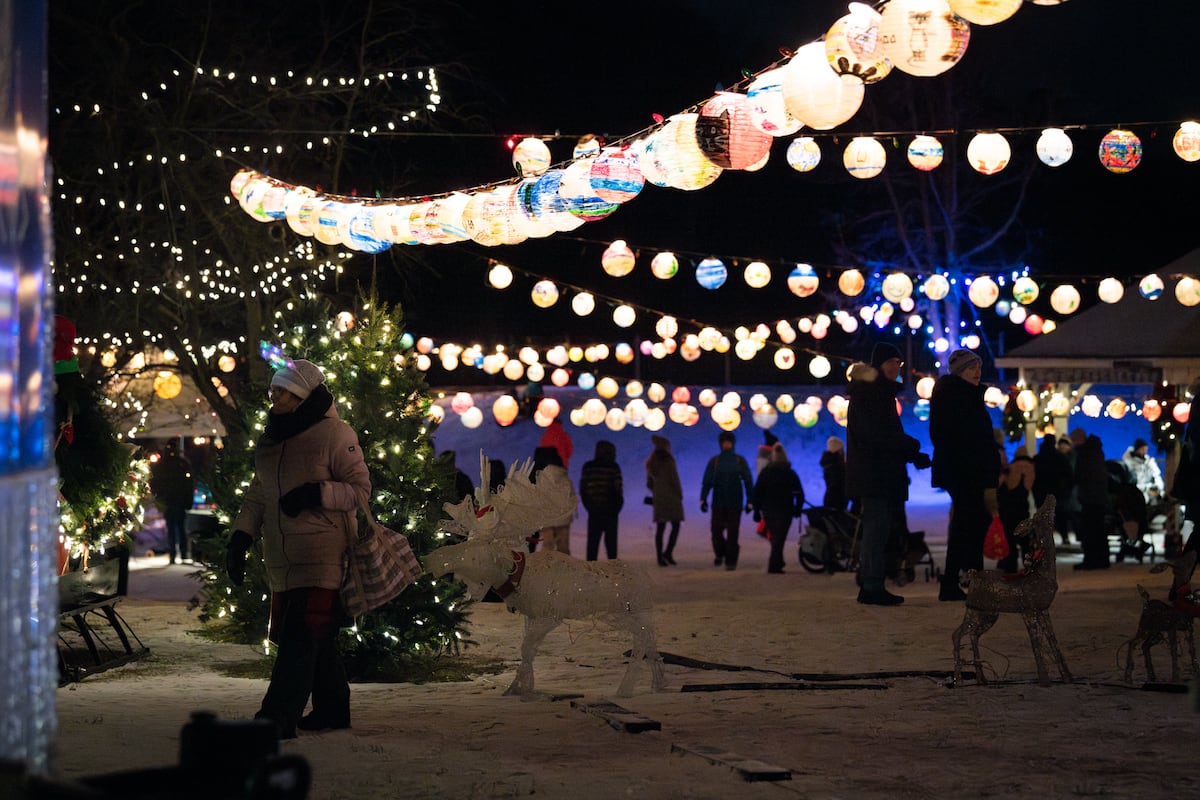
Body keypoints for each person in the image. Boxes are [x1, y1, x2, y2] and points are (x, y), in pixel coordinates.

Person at [225, 358, 370, 739]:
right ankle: (332, 710)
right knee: (315, 635)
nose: (274, 397)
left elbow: (360, 491)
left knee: (299, 637)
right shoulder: (271, 439)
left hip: (324, 554)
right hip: (282, 555)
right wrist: (241, 537)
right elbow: (259, 494)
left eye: (283, 391)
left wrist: (315, 494)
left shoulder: (335, 434)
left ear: (303, 395)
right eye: (273, 390)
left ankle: (277, 717)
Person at [846, 342, 930, 606]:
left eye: (899, 363)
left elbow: (886, 436)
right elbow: (877, 435)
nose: (897, 367)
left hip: (880, 471)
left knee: (879, 529)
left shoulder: (878, 393)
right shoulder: (870, 394)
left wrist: (911, 453)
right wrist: (911, 448)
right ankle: (871, 585)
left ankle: (871, 583)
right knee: (876, 528)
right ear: (879, 364)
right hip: (875, 473)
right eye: (892, 362)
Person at [929, 348, 999, 602]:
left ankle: (966, 579)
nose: (977, 372)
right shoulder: (955, 396)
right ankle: (957, 581)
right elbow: (955, 437)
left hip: (968, 470)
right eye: (971, 367)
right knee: (966, 524)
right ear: (959, 371)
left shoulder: (965, 395)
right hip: (964, 471)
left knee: (971, 523)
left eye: (978, 367)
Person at [700, 431, 754, 570]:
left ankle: (730, 560)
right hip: (720, 501)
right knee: (716, 531)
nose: (726, 445)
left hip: (734, 502)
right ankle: (722, 553)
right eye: (724, 442)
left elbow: (748, 481)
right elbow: (707, 481)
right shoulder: (716, 461)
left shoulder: (738, 461)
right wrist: (703, 498)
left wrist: (750, 500)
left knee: (732, 532)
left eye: (728, 442)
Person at [753, 443, 805, 574]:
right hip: (785, 510)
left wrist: (756, 510)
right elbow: (799, 493)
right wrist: (798, 509)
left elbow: (757, 492)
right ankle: (774, 565)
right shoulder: (790, 474)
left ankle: (777, 562)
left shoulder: (765, 473)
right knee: (779, 537)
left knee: (776, 537)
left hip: (768, 509)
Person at [149, 439, 196, 564]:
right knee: (178, 528)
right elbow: (189, 484)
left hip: (172, 501)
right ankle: (180, 554)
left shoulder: (166, 465)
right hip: (175, 501)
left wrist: (159, 499)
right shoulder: (181, 464)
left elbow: (155, 483)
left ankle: (175, 554)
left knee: (174, 528)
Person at [1072, 428, 1111, 570]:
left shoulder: (1085, 453)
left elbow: (1081, 475)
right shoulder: (1096, 451)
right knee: (1099, 529)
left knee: (1090, 530)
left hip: (1090, 497)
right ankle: (1102, 559)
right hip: (1098, 497)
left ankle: (1091, 559)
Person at [578, 440, 623, 560]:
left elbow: (583, 490)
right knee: (611, 548)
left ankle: (591, 570)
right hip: (611, 512)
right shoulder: (613, 467)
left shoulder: (588, 467)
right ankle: (613, 570)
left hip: (594, 512)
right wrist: (616, 508)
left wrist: (589, 507)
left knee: (592, 547)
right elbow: (618, 490)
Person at [645, 435, 684, 566]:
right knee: (676, 525)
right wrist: (679, 494)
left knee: (660, 528)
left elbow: (649, 484)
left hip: (659, 498)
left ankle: (660, 557)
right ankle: (668, 552)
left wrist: (657, 491)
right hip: (672, 497)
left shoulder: (651, 463)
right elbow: (674, 479)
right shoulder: (669, 461)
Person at [995, 446, 1035, 573]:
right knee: (1024, 539)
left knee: (1009, 538)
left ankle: (1011, 564)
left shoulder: (1010, 468)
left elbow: (999, 485)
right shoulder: (1030, 467)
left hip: (1006, 508)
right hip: (1022, 508)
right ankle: (1028, 566)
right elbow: (1029, 487)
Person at [532, 446, 574, 555]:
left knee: (547, 546)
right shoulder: (563, 474)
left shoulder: (539, 476)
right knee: (563, 547)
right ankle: (565, 565)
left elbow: (535, 497)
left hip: (547, 517)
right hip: (564, 517)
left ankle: (548, 565)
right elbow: (571, 495)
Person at [1122, 438, 1164, 505]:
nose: (1145, 451)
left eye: (1146, 449)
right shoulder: (1128, 463)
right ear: (1137, 449)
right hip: (1138, 493)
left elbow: (1157, 475)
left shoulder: (1149, 462)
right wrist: (1147, 488)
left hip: (1152, 492)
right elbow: (1130, 483)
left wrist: (1158, 487)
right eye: (1142, 449)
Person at [820, 436, 848, 511]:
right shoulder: (835, 466)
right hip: (836, 502)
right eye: (841, 450)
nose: (843, 452)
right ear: (837, 451)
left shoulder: (831, 464)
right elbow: (839, 485)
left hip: (833, 500)